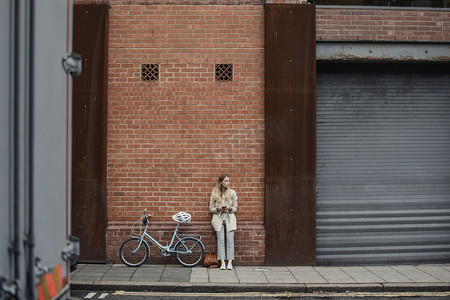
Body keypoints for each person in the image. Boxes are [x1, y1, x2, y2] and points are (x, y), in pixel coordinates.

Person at [209, 174, 238, 270]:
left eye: (229, 181)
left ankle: (229, 262)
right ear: (221, 182)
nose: (228, 183)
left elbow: (235, 208)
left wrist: (229, 208)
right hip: (218, 219)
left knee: (230, 241)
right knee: (220, 241)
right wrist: (218, 208)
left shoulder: (233, 193)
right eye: (226, 181)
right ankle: (222, 262)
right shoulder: (214, 193)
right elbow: (211, 208)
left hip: (230, 219)